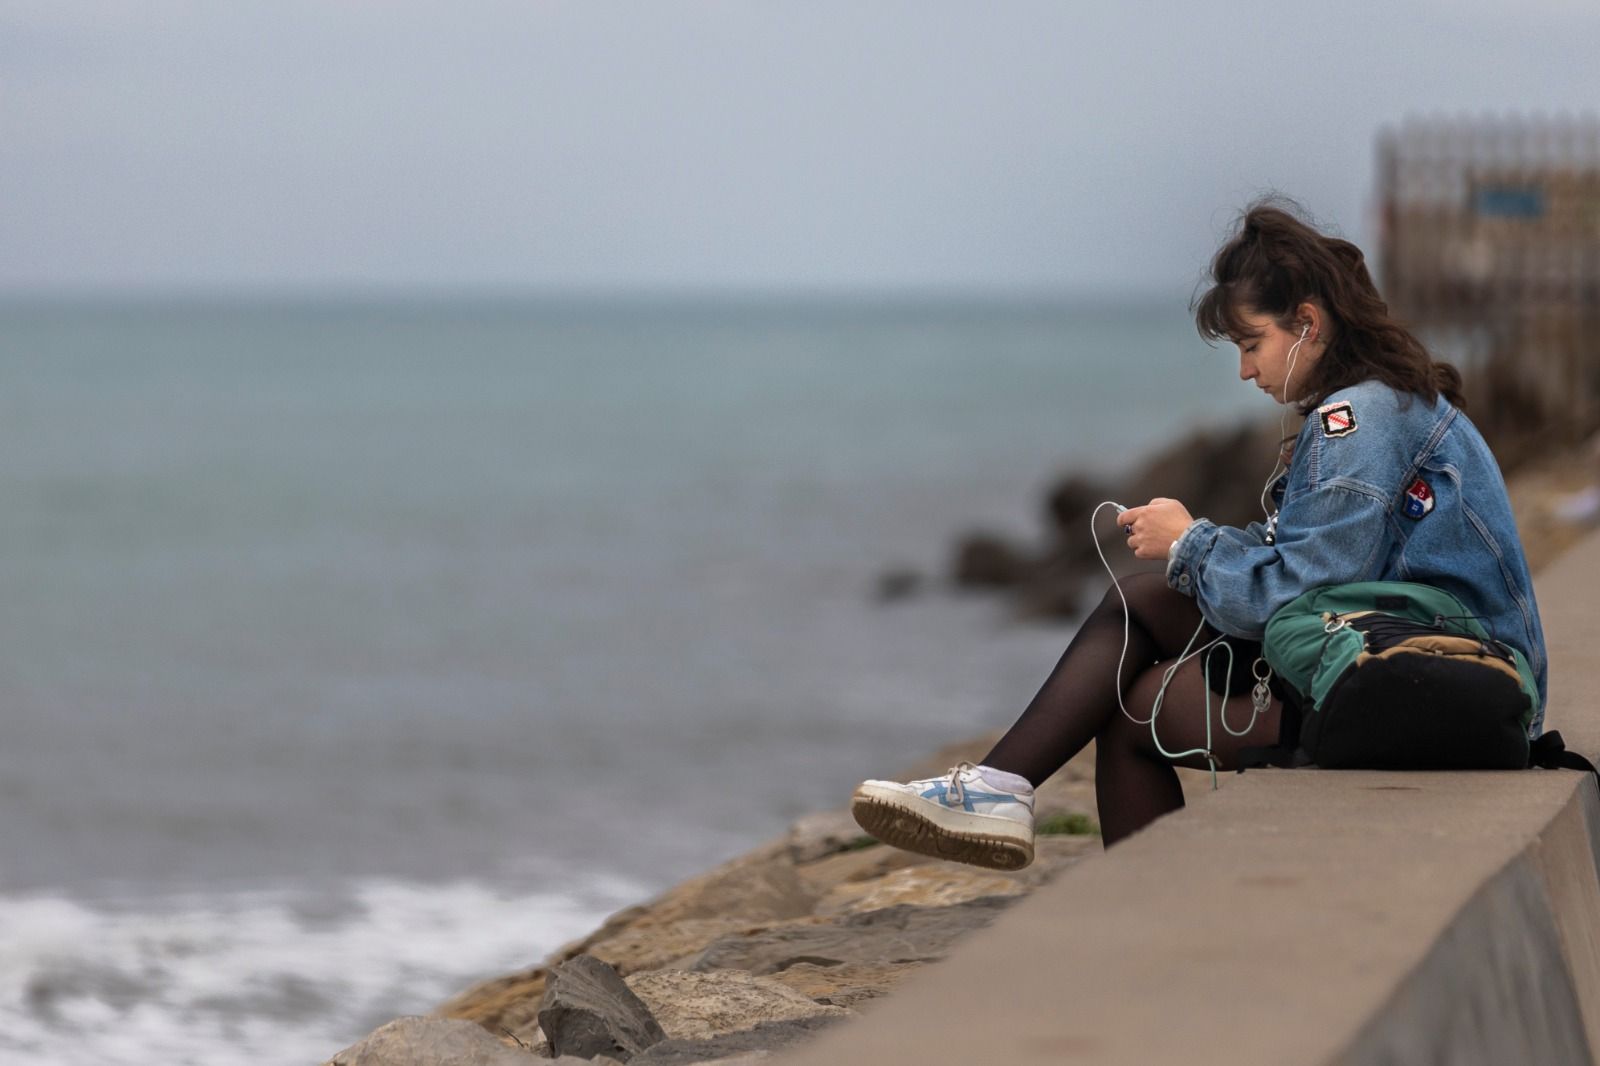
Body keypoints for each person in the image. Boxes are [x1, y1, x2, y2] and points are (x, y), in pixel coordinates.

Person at [851, 199, 1548, 868]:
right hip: (1414, 668)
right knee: (1141, 601)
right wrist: (1196, 544)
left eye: (1252, 343)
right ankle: (1000, 790)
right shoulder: (1387, 404)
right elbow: (1320, 572)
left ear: (1307, 322)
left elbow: (1298, 595)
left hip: (1421, 687)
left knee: (1133, 713)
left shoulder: (1356, 422)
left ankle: (1023, 810)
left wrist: (1191, 544)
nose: (1245, 369)